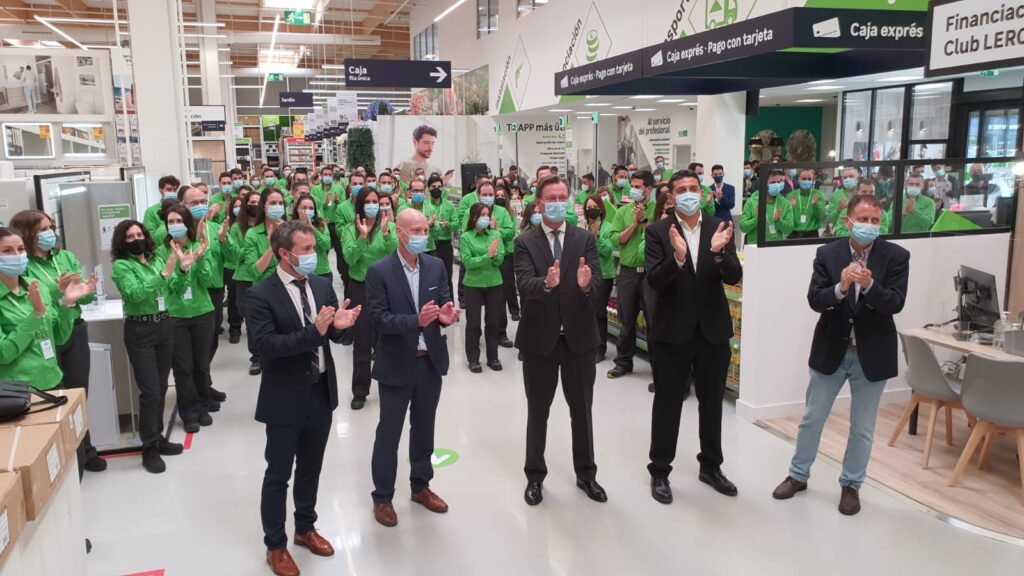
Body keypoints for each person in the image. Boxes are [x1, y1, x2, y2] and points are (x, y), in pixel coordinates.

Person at [772, 194, 910, 516]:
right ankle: (798, 475)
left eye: (875, 220)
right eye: (863, 220)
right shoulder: (827, 254)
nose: (869, 226)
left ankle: (851, 485)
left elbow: (895, 303)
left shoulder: (896, 256)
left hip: (871, 354)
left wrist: (872, 285)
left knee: (862, 427)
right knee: (812, 419)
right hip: (831, 350)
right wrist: (842, 287)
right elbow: (815, 299)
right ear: (848, 221)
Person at [247, 221, 360, 576]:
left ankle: (305, 527)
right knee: (278, 473)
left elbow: (335, 339)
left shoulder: (323, 285)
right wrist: (314, 333)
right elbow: (265, 346)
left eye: (315, 248)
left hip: (320, 391)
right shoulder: (261, 295)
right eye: (306, 250)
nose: (314, 256)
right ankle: (275, 545)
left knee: (311, 467)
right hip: (284, 398)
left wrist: (342, 327)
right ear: (284, 253)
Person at [645, 170, 742, 504]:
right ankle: (659, 471)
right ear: (671, 197)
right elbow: (656, 281)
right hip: (672, 332)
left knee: (712, 402)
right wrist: (678, 257)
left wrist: (718, 253)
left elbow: (734, 275)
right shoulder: (659, 231)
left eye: (693, 188)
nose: (688, 193)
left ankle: (711, 466)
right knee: (669, 402)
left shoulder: (720, 227)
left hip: (712, 331)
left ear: (701, 192)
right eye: (681, 189)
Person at [515, 175, 605, 506]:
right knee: (538, 412)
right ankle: (535, 477)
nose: (557, 202)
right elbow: (524, 285)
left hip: (579, 341)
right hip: (540, 341)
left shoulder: (584, 239)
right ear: (538, 204)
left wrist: (584, 285)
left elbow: (595, 285)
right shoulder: (525, 242)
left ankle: (587, 475)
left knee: (582, 411)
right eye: (550, 197)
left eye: (563, 196)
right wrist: (547, 283)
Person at [366, 209, 458, 528]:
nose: (422, 235)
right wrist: (414, 321)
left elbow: (444, 301)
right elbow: (378, 319)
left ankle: (420, 486)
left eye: (424, 229)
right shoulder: (379, 272)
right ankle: (383, 497)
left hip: (429, 362)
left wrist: (446, 314)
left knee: (424, 428)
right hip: (395, 363)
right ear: (399, 232)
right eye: (415, 230)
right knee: (388, 433)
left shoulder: (435, 266)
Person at [10, 211, 105, 473]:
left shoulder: (65, 257)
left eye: (51, 227)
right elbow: (36, 302)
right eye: (43, 228)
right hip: (42, 338)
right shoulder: (22, 265)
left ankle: (85, 448)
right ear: (28, 233)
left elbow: (81, 296)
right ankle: (61, 456)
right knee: (53, 395)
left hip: (72, 328)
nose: (51, 232)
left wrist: (82, 292)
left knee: (78, 393)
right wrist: (59, 290)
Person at [111, 221, 185, 473]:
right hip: (140, 330)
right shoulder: (121, 266)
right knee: (150, 390)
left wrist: (182, 271)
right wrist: (164, 274)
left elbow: (173, 288)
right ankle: (149, 447)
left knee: (162, 386)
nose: (136, 239)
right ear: (122, 241)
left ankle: (158, 436)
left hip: (164, 325)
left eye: (139, 234)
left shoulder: (153, 260)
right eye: (130, 237)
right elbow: (134, 295)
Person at [158, 203, 216, 434]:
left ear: (187, 224)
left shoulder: (200, 246)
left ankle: (203, 406)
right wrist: (181, 270)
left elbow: (209, 280)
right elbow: (169, 286)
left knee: (201, 365)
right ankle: (189, 412)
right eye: (170, 222)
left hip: (202, 312)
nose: (175, 226)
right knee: (183, 368)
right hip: (176, 315)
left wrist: (200, 259)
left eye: (178, 221)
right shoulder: (162, 252)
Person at [342, 189, 398, 410]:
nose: (374, 205)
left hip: (386, 288)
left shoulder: (390, 227)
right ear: (360, 205)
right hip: (360, 288)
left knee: (389, 338)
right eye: (368, 201)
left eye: (376, 201)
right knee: (362, 341)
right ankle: (360, 390)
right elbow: (349, 258)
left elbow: (396, 254)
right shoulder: (349, 229)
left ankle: (391, 383)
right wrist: (363, 237)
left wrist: (385, 234)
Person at [180, 186, 228, 410]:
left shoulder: (215, 228)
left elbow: (234, 257)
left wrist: (224, 240)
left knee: (210, 344)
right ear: (183, 206)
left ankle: (204, 385)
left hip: (215, 290)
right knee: (191, 353)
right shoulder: (178, 234)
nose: (200, 205)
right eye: (193, 202)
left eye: (203, 200)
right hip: (190, 295)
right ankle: (195, 395)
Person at [607, 170, 656, 380]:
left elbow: (658, 237)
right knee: (626, 320)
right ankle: (623, 362)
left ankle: (659, 367)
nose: (634, 190)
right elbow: (615, 239)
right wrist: (634, 224)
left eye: (638, 186)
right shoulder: (623, 212)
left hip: (651, 275)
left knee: (654, 321)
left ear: (648, 189)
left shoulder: (658, 209)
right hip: (627, 273)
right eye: (632, 186)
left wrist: (645, 221)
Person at [241, 188, 289, 375]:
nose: (277, 207)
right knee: (264, 335)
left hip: (287, 289)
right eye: (272, 203)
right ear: (263, 206)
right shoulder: (253, 234)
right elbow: (255, 271)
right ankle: (258, 358)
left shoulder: (290, 230)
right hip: (263, 292)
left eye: (280, 203)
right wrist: (272, 245)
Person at [460, 203, 505, 373]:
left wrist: (492, 257)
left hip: (494, 283)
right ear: (474, 217)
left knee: (493, 323)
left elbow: (500, 260)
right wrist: (488, 256)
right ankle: (473, 359)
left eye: (488, 214)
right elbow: (468, 263)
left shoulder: (495, 234)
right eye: (483, 215)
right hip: (473, 285)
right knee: (473, 324)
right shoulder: (465, 237)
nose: (486, 218)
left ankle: (493, 357)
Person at [583, 196, 615, 362]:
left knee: (598, 313)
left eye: (595, 206)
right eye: (589, 207)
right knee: (584, 311)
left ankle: (600, 349)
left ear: (601, 209)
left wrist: (596, 237)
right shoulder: (582, 227)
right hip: (584, 275)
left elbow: (608, 251)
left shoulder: (608, 227)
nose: (592, 209)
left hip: (603, 276)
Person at [740, 170, 795, 244]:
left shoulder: (785, 203)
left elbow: (789, 229)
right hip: (755, 248)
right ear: (764, 183)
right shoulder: (752, 202)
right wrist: (757, 219)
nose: (777, 185)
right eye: (773, 182)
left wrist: (778, 221)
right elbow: (743, 227)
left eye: (778, 182)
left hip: (776, 247)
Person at [425, 176, 456, 300]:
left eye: (439, 187)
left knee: (447, 276)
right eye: (433, 187)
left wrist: (448, 225)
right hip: (430, 245)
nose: (436, 189)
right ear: (428, 189)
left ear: (443, 188)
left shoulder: (449, 205)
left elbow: (456, 223)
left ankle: (450, 305)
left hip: (445, 245)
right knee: (430, 278)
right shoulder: (425, 205)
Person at [494, 186, 520, 323]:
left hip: (507, 252)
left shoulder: (510, 213)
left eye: (502, 196)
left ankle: (514, 310)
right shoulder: (489, 213)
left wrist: (497, 230)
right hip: (494, 254)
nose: (499, 198)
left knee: (510, 284)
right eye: (497, 196)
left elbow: (510, 233)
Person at [143, 176, 182, 243]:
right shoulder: (151, 212)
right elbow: (149, 236)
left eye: (175, 189)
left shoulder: (182, 208)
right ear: (161, 191)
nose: (172, 192)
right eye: (169, 189)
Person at [789, 169, 825, 239]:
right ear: (799, 179)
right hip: (794, 234)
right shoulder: (791, 195)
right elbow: (787, 218)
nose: (806, 181)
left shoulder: (818, 194)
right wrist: (790, 207)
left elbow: (820, 217)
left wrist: (815, 205)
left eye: (809, 179)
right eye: (804, 179)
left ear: (813, 181)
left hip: (812, 234)